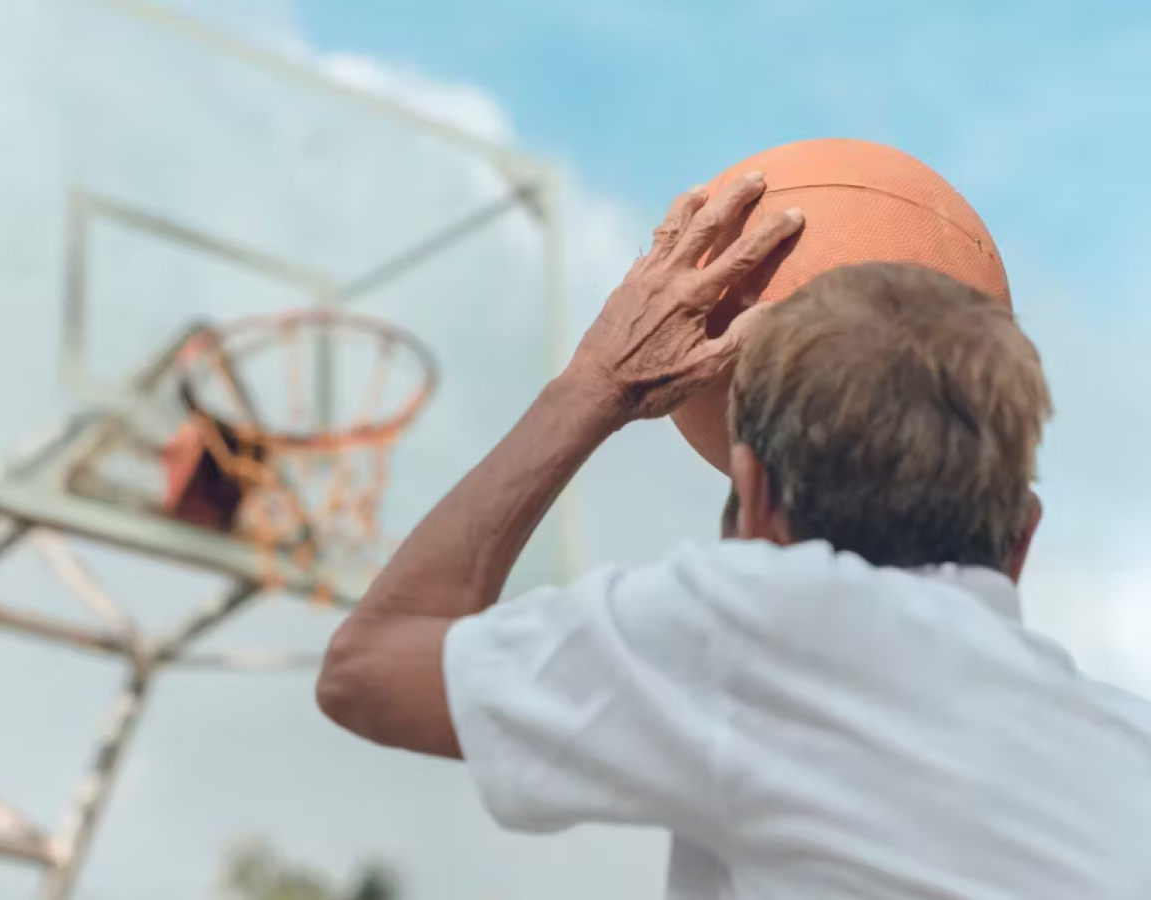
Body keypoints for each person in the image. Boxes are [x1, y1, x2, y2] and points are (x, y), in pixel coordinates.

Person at [316, 172, 1151, 898]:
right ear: (1021, 541)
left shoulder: (760, 634)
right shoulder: (1130, 753)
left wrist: (596, 382)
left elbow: (366, 668)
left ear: (754, 500)